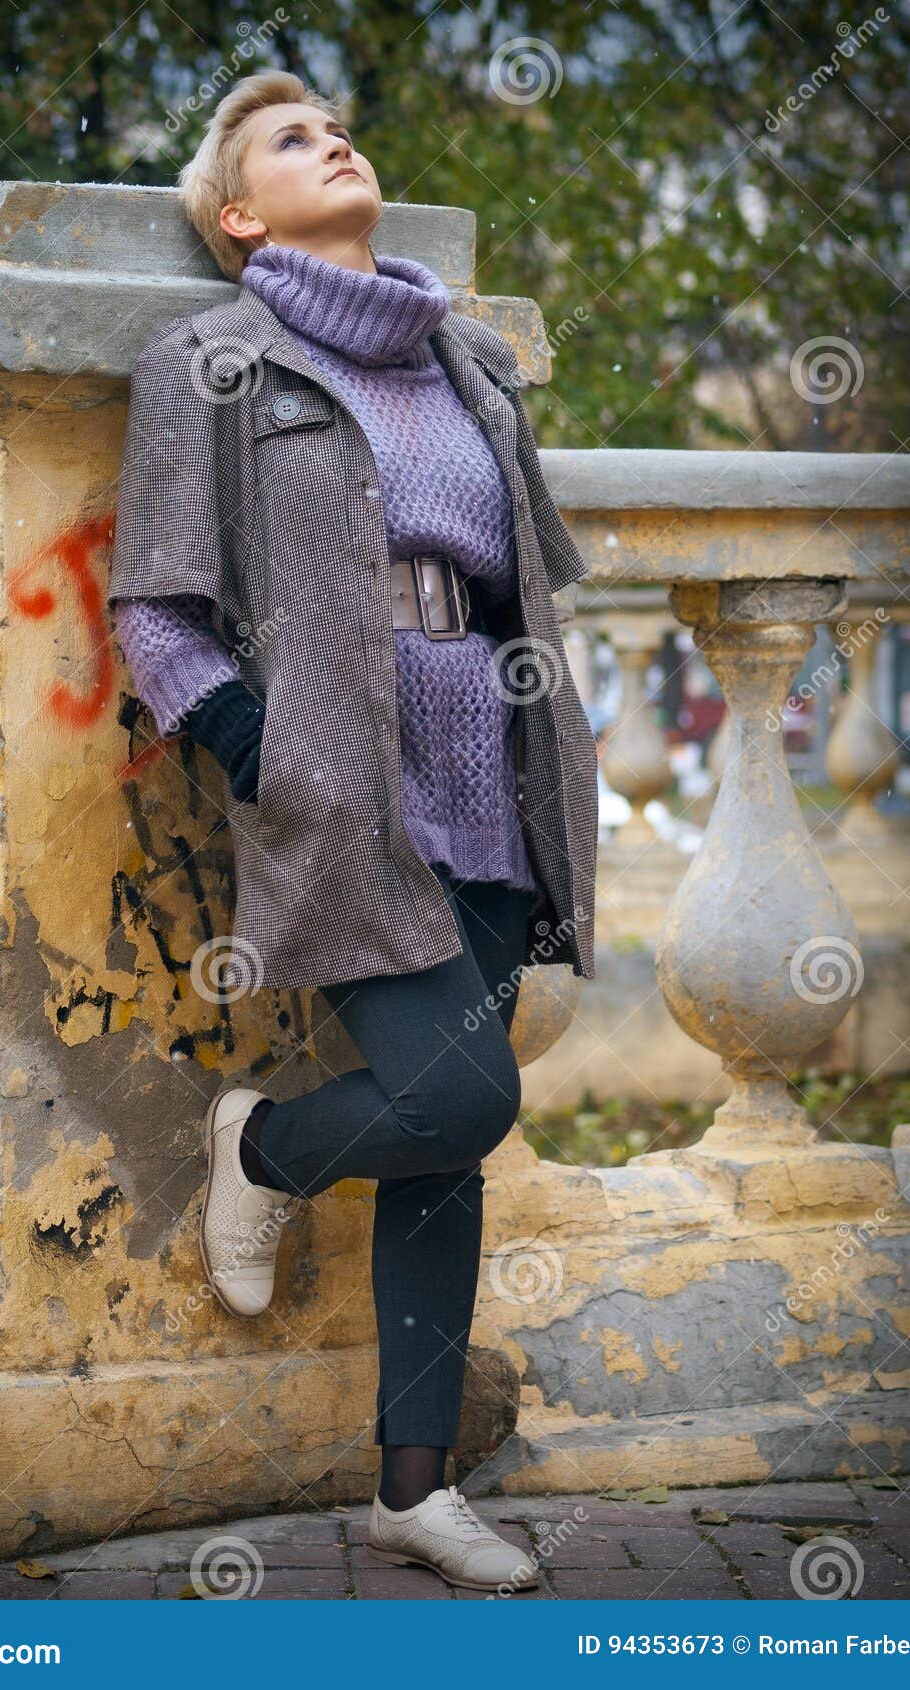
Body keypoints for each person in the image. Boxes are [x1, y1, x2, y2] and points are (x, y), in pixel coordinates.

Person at [108, 69, 598, 1594]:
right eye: (290, 136)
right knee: (460, 1102)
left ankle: (412, 1488)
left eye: (338, 121)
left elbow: (529, 573)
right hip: (345, 784)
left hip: (496, 763)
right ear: (240, 214)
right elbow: (153, 605)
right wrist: (264, 745)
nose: (336, 137)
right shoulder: (206, 362)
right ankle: (265, 1144)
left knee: (445, 1148)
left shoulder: (470, 358)